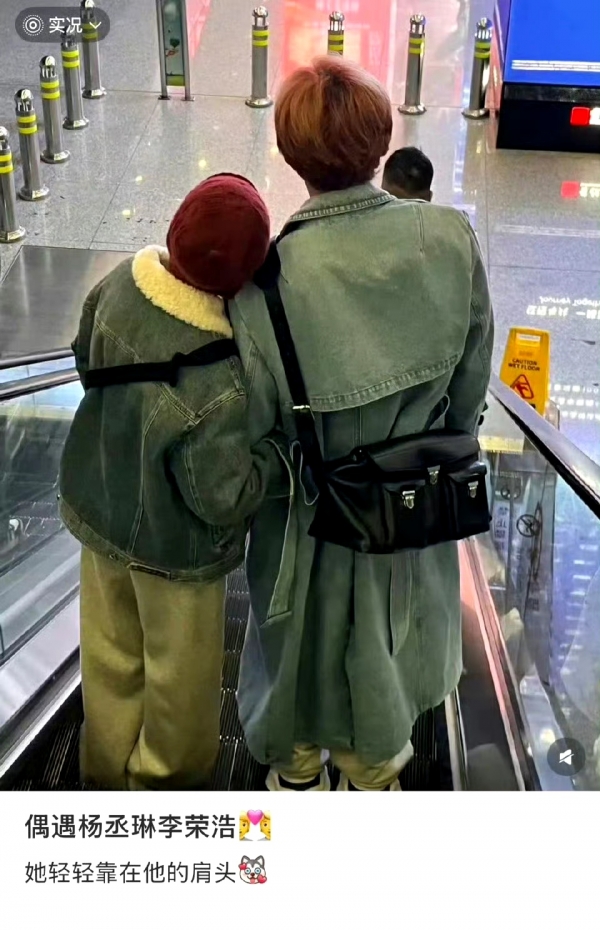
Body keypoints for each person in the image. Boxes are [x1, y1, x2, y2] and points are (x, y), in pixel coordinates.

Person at [229, 57, 494, 791]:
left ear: (290, 153)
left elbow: (255, 425)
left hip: (306, 516)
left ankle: (297, 771)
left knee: (296, 643)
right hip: (408, 506)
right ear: (381, 145)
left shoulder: (265, 281)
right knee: (390, 641)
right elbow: (472, 379)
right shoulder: (449, 239)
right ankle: (373, 772)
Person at [59, 174, 287, 790]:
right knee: (178, 683)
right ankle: (160, 789)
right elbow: (221, 497)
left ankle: (104, 771)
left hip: (98, 509)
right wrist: (274, 461)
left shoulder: (116, 287)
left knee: (108, 656)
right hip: (175, 553)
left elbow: (83, 358)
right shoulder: (219, 379)